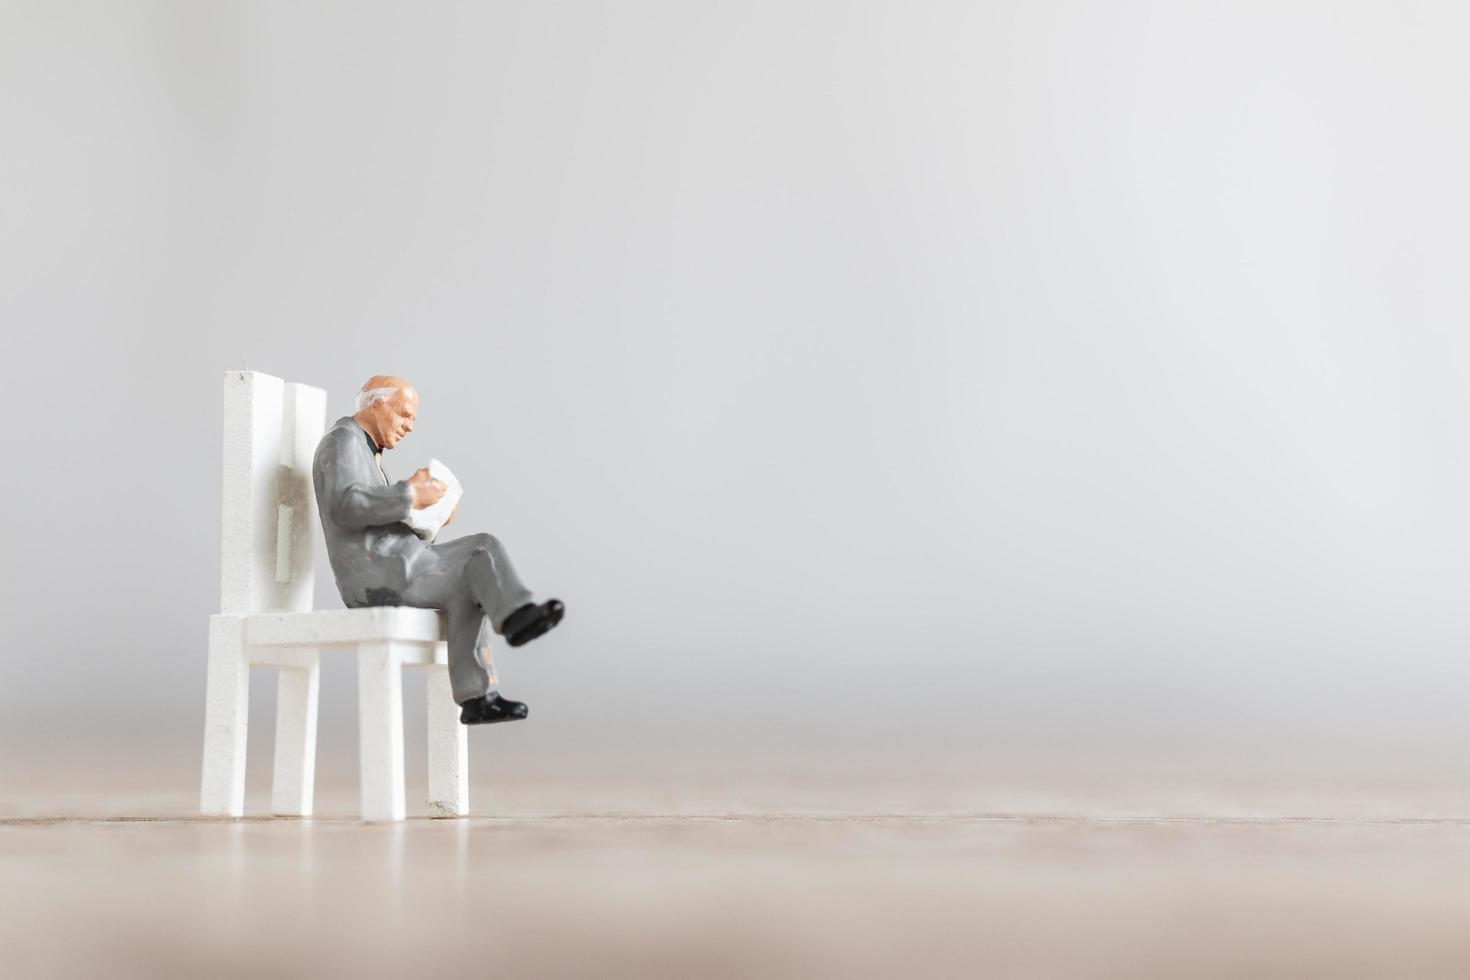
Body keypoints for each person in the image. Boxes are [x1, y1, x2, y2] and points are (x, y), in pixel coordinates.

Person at [312, 375, 563, 725]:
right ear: (376, 403)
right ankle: (516, 616)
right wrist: (410, 494)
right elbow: (346, 505)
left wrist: (431, 515)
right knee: (481, 550)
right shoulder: (342, 442)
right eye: (404, 415)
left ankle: (478, 696)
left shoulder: (366, 450)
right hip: (375, 577)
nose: (409, 426)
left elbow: (374, 521)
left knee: (470, 586)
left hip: (391, 564)